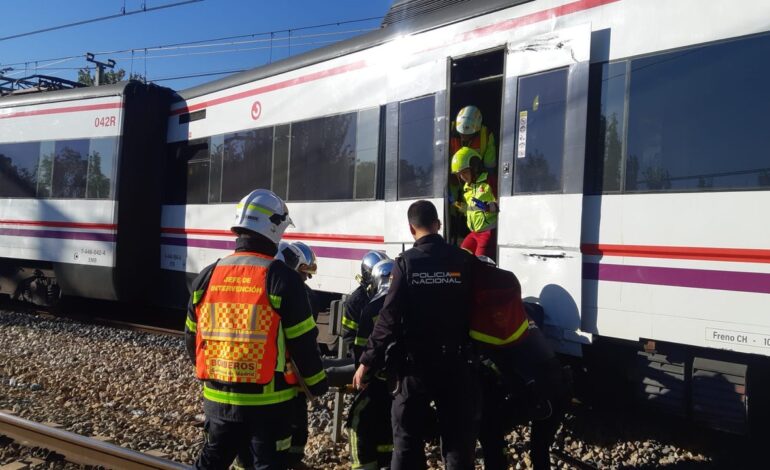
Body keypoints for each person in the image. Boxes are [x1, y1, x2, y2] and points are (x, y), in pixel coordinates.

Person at [185, 189, 328, 470]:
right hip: (269, 405)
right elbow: (303, 343)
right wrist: (317, 385)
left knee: (211, 463)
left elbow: (192, 340)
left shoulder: (207, 275)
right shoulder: (282, 278)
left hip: (217, 400)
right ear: (274, 227)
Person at [353, 200, 481, 470]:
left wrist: (367, 360)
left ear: (412, 229)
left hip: (415, 368)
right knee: (458, 440)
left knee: (407, 439)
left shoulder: (406, 264)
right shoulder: (464, 260)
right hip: (455, 365)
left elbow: (389, 317)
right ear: (439, 225)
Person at [347, 258, 395, 470]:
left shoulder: (371, 308)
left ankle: (363, 465)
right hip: (403, 381)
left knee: (359, 418)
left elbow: (361, 350)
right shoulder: (412, 304)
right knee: (389, 420)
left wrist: (363, 377)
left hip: (376, 380)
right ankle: (387, 461)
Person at [451, 146, 499, 259]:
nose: (463, 177)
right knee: (461, 258)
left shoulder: (489, 181)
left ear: (475, 167)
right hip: (474, 233)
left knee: (481, 264)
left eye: (465, 172)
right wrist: (462, 207)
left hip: (488, 232)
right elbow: (472, 209)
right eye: (459, 174)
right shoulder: (467, 187)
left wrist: (488, 206)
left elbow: (503, 203)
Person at [341, 251, 390, 356]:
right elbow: (349, 337)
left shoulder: (390, 295)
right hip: (365, 356)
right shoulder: (355, 301)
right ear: (369, 275)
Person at [449, 105, 497, 172]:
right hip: (451, 175)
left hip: (474, 176)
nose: (463, 137)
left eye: (467, 135)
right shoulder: (447, 129)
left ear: (477, 131)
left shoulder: (486, 135)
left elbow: (489, 166)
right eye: (461, 134)